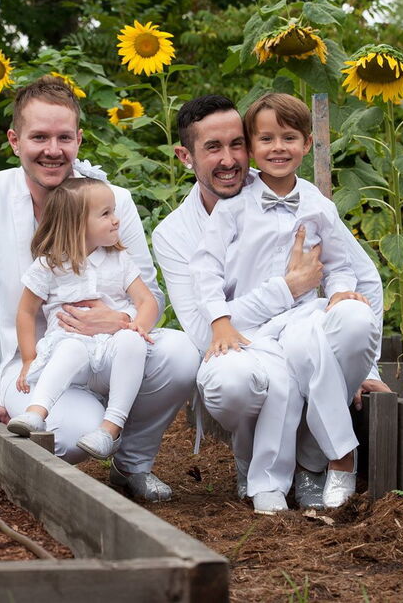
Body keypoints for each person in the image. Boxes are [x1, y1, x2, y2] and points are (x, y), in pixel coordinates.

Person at [0, 76, 200, 501]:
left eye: (64, 137)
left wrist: (118, 320)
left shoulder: (111, 198)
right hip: (28, 363)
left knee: (181, 354)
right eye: (39, 137)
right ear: (14, 140)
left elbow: (150, 295)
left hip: (111, 349)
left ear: (79, 139)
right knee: (69, 434)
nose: (52, 149)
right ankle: (91, 424)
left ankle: (132, 464)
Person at [152, 94, 389, 514]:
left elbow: (353, 269)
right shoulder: (201, 223)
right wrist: (286, 287)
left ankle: (326, 461)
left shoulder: (314, 202)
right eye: (212, 148)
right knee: (266, 386)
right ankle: (262, 476)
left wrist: (362, 359)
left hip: (302, 319)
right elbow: (204, 311)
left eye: (236, 144)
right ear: (185, 156)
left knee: (320, 351)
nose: (229, 159)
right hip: (244, 340)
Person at [6, 177, 158, 460]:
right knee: (71, 348)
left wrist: (137, 325)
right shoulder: (50, 265)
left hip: (110, 350)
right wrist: (28, 359)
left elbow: (147, 301)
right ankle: (37, 411)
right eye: (106, 214)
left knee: (132, 341)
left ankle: (109, 429)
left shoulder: (119, 260)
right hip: (70, 347)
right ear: (77, 224)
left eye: (114, 211)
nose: (116, 220)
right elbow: (26, 311)